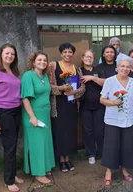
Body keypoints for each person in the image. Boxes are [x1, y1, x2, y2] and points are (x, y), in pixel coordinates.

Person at [0, 43, 24, 192]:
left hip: (16, 111)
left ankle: (12, 175)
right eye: (7, 53)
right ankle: (8, 180)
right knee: (9, 147)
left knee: (13, 145)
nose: (9, 56)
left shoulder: (13, 71)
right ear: (1, 54)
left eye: (12, 54)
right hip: (3, 112)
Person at [100, 58, 133, 186]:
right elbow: (102, 99)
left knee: (128, 146)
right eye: (122, 66)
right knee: (111, 146)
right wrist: (113, 102)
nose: (125, 69)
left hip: (130, 119)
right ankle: (108, 171)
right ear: (117, 67)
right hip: (112, 120)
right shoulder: (109, 81)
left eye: (128, 67)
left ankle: (124, 169)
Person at [48, 43, 85, 173]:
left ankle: (68, 158)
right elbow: (49, 86)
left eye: (70, 52)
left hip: (72, 105)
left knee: (70, 131)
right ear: (61, 53)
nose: (67, 54)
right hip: (58, 105)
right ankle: (61, 160)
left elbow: (82, 87)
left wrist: (75, 93)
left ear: (73, 54)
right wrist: (61, 88)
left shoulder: (77, 68)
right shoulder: (53, 66)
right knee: (59, 131)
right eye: (65, 52)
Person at [21, 51, 55, 184]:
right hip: (33, 115)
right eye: (39, 60)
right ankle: (38, 173)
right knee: (36, 143)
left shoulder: (45, 76)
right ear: (33, 62)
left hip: (45, 114)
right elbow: (25, 98)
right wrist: (32, 117)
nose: (42, 62)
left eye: (45, 60)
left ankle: (45, 167)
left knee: (44, 142)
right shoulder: (28, 75)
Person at [79, 50, 105, 164]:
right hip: (85, 106)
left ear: (94, 59)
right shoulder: (79, 71)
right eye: (87, 57)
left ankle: (101, 152)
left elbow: (106, 82)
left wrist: (93, 78)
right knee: (88, 131)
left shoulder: (98, 69)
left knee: (100, 130)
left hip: (99, 105)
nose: (89, 59)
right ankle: (91, 154)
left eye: (91, 57)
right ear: (82, 58)